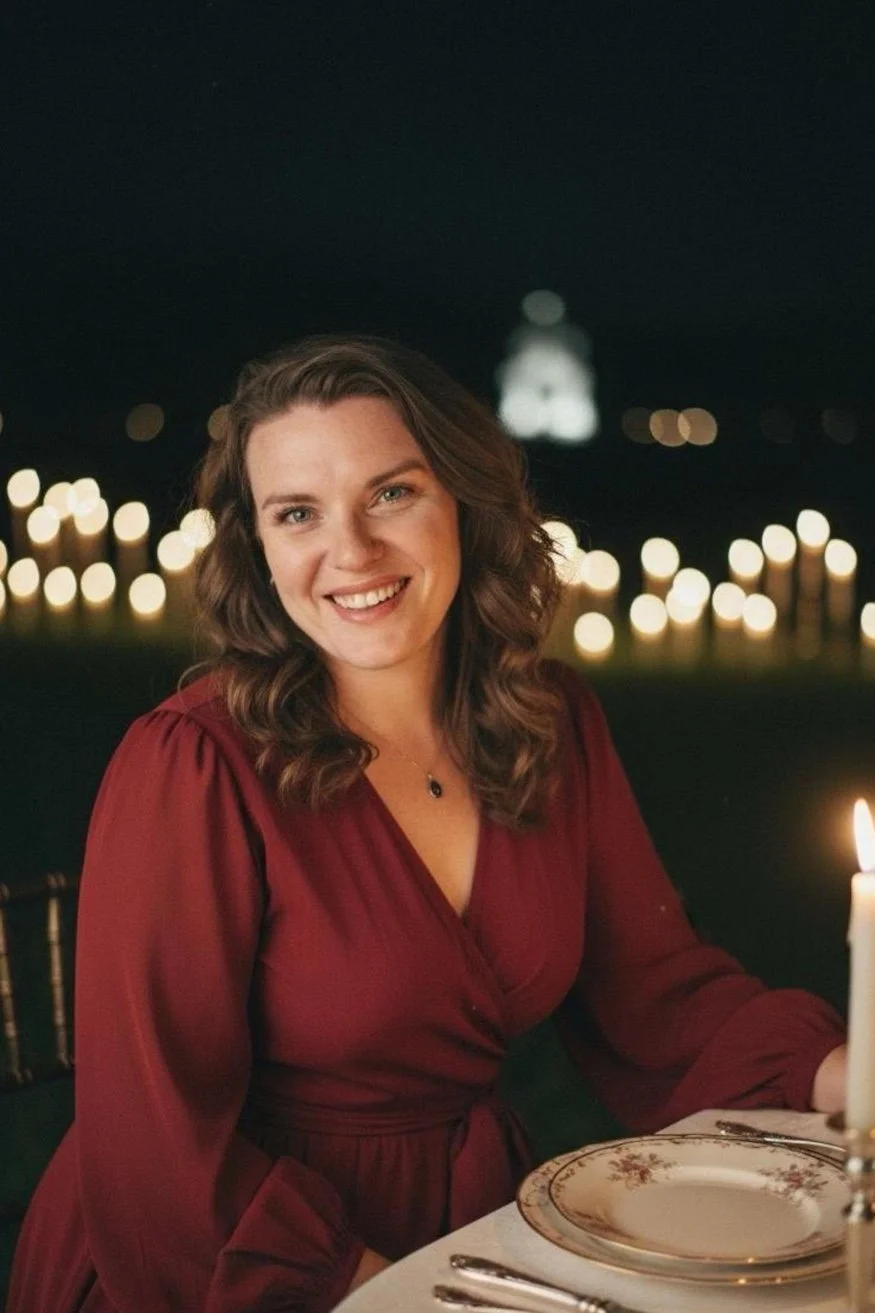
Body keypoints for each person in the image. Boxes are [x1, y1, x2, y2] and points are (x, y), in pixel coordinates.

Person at [9, 335, 846, 1313]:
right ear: (257, 545)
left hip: (466, 1234)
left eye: (391, 493)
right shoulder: (193, 763)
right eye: (297, 512)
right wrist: (385, 1289)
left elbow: (655, 994)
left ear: (462, 499)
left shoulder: (550, 722)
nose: (351, 551)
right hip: (229, 1262)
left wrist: (845, 1072)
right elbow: (155, 1142)